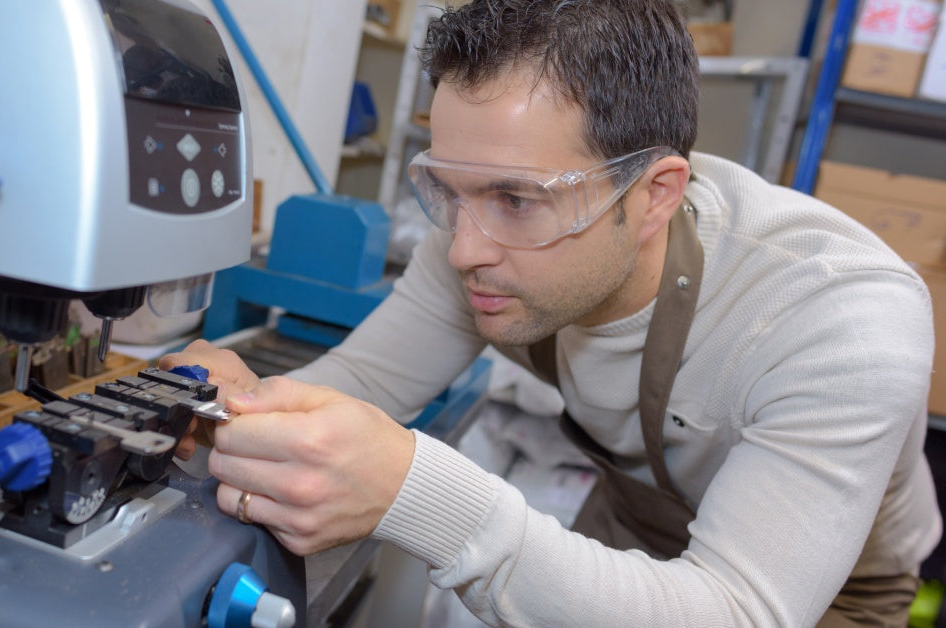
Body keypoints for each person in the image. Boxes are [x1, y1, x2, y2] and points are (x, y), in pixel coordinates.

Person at [161, 0, 943, 624]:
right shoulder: (482, 239)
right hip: (632, 530)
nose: (465, 246)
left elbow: (733, 609)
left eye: (514, 199)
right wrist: (243, 406)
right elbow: (364, 379)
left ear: (654, 196)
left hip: (807, 595)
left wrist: (419, 493)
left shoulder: (841, 320)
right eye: (448, 190)